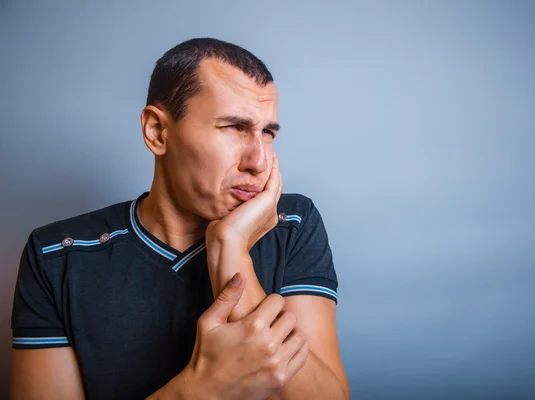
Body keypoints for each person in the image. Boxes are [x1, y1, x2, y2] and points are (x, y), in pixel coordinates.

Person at [9, 38, 349, 400]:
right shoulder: (56, 255)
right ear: (157, 131)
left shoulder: (292, 224)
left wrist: (231, 252)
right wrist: (201, 388)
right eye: (233, 127)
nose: (259, 162)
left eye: (267, 133)